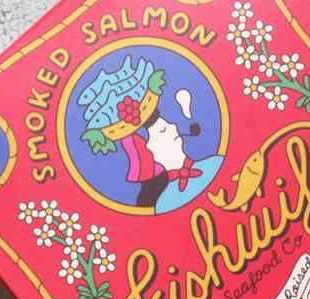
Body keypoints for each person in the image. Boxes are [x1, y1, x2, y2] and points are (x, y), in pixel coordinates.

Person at [78, 53, 224, 214]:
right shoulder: (163, 203)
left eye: (167, 124)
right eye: (162, 130)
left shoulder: (215, 164)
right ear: (148, 150)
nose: (174, 126)